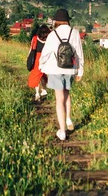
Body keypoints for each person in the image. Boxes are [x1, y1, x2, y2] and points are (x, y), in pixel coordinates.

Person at [39, 8, 84, 141]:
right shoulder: (74, 33)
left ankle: (62, 131)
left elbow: (46, 53)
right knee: (66, 94)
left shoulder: (53, 35)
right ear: (67, 21)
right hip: (69, 69)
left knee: (59, 99)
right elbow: (79, 53)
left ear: (56, 21)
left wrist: (41, 65)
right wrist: (80, 71)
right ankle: (68, 118)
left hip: (55, 69)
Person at [28, 24, 51, 101]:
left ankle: (37, 93)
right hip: (46, 58)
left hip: (37, 58)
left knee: (36, 75)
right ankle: (44, 89)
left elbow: (31, 49)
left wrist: (29, 58)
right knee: (43, 74)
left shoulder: (35, 38)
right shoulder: (49, 39)